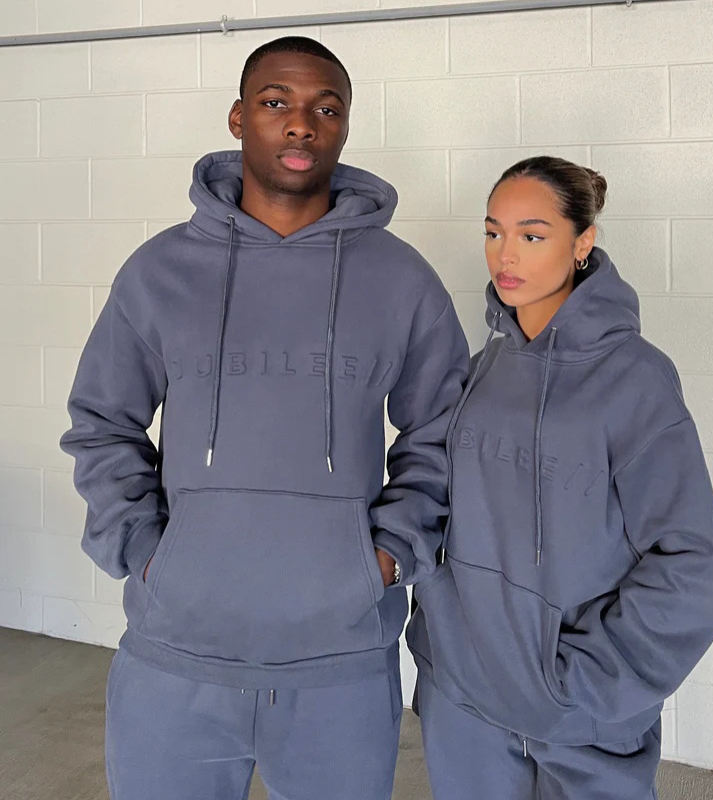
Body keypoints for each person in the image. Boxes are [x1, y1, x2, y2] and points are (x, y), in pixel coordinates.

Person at [61, 36, 468, 800]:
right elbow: (102, 422)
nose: (301, 123)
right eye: (277, 102)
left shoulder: (402, 281)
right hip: (176, 656)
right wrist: (146, 551)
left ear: (344, 127)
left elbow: (444, 434)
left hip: (339, 667)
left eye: (326, 108)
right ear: (238, 118)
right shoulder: (160, 272)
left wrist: (385, 556)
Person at [407, 156, 713, 800]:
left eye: (532, 235)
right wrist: (442, 646)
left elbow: (691, 564)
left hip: (578, 722)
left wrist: (586, 683)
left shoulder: (636, 379)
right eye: (493, 232)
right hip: (465, 707)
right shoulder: (481, 371)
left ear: (583, 243)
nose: (505, 255)